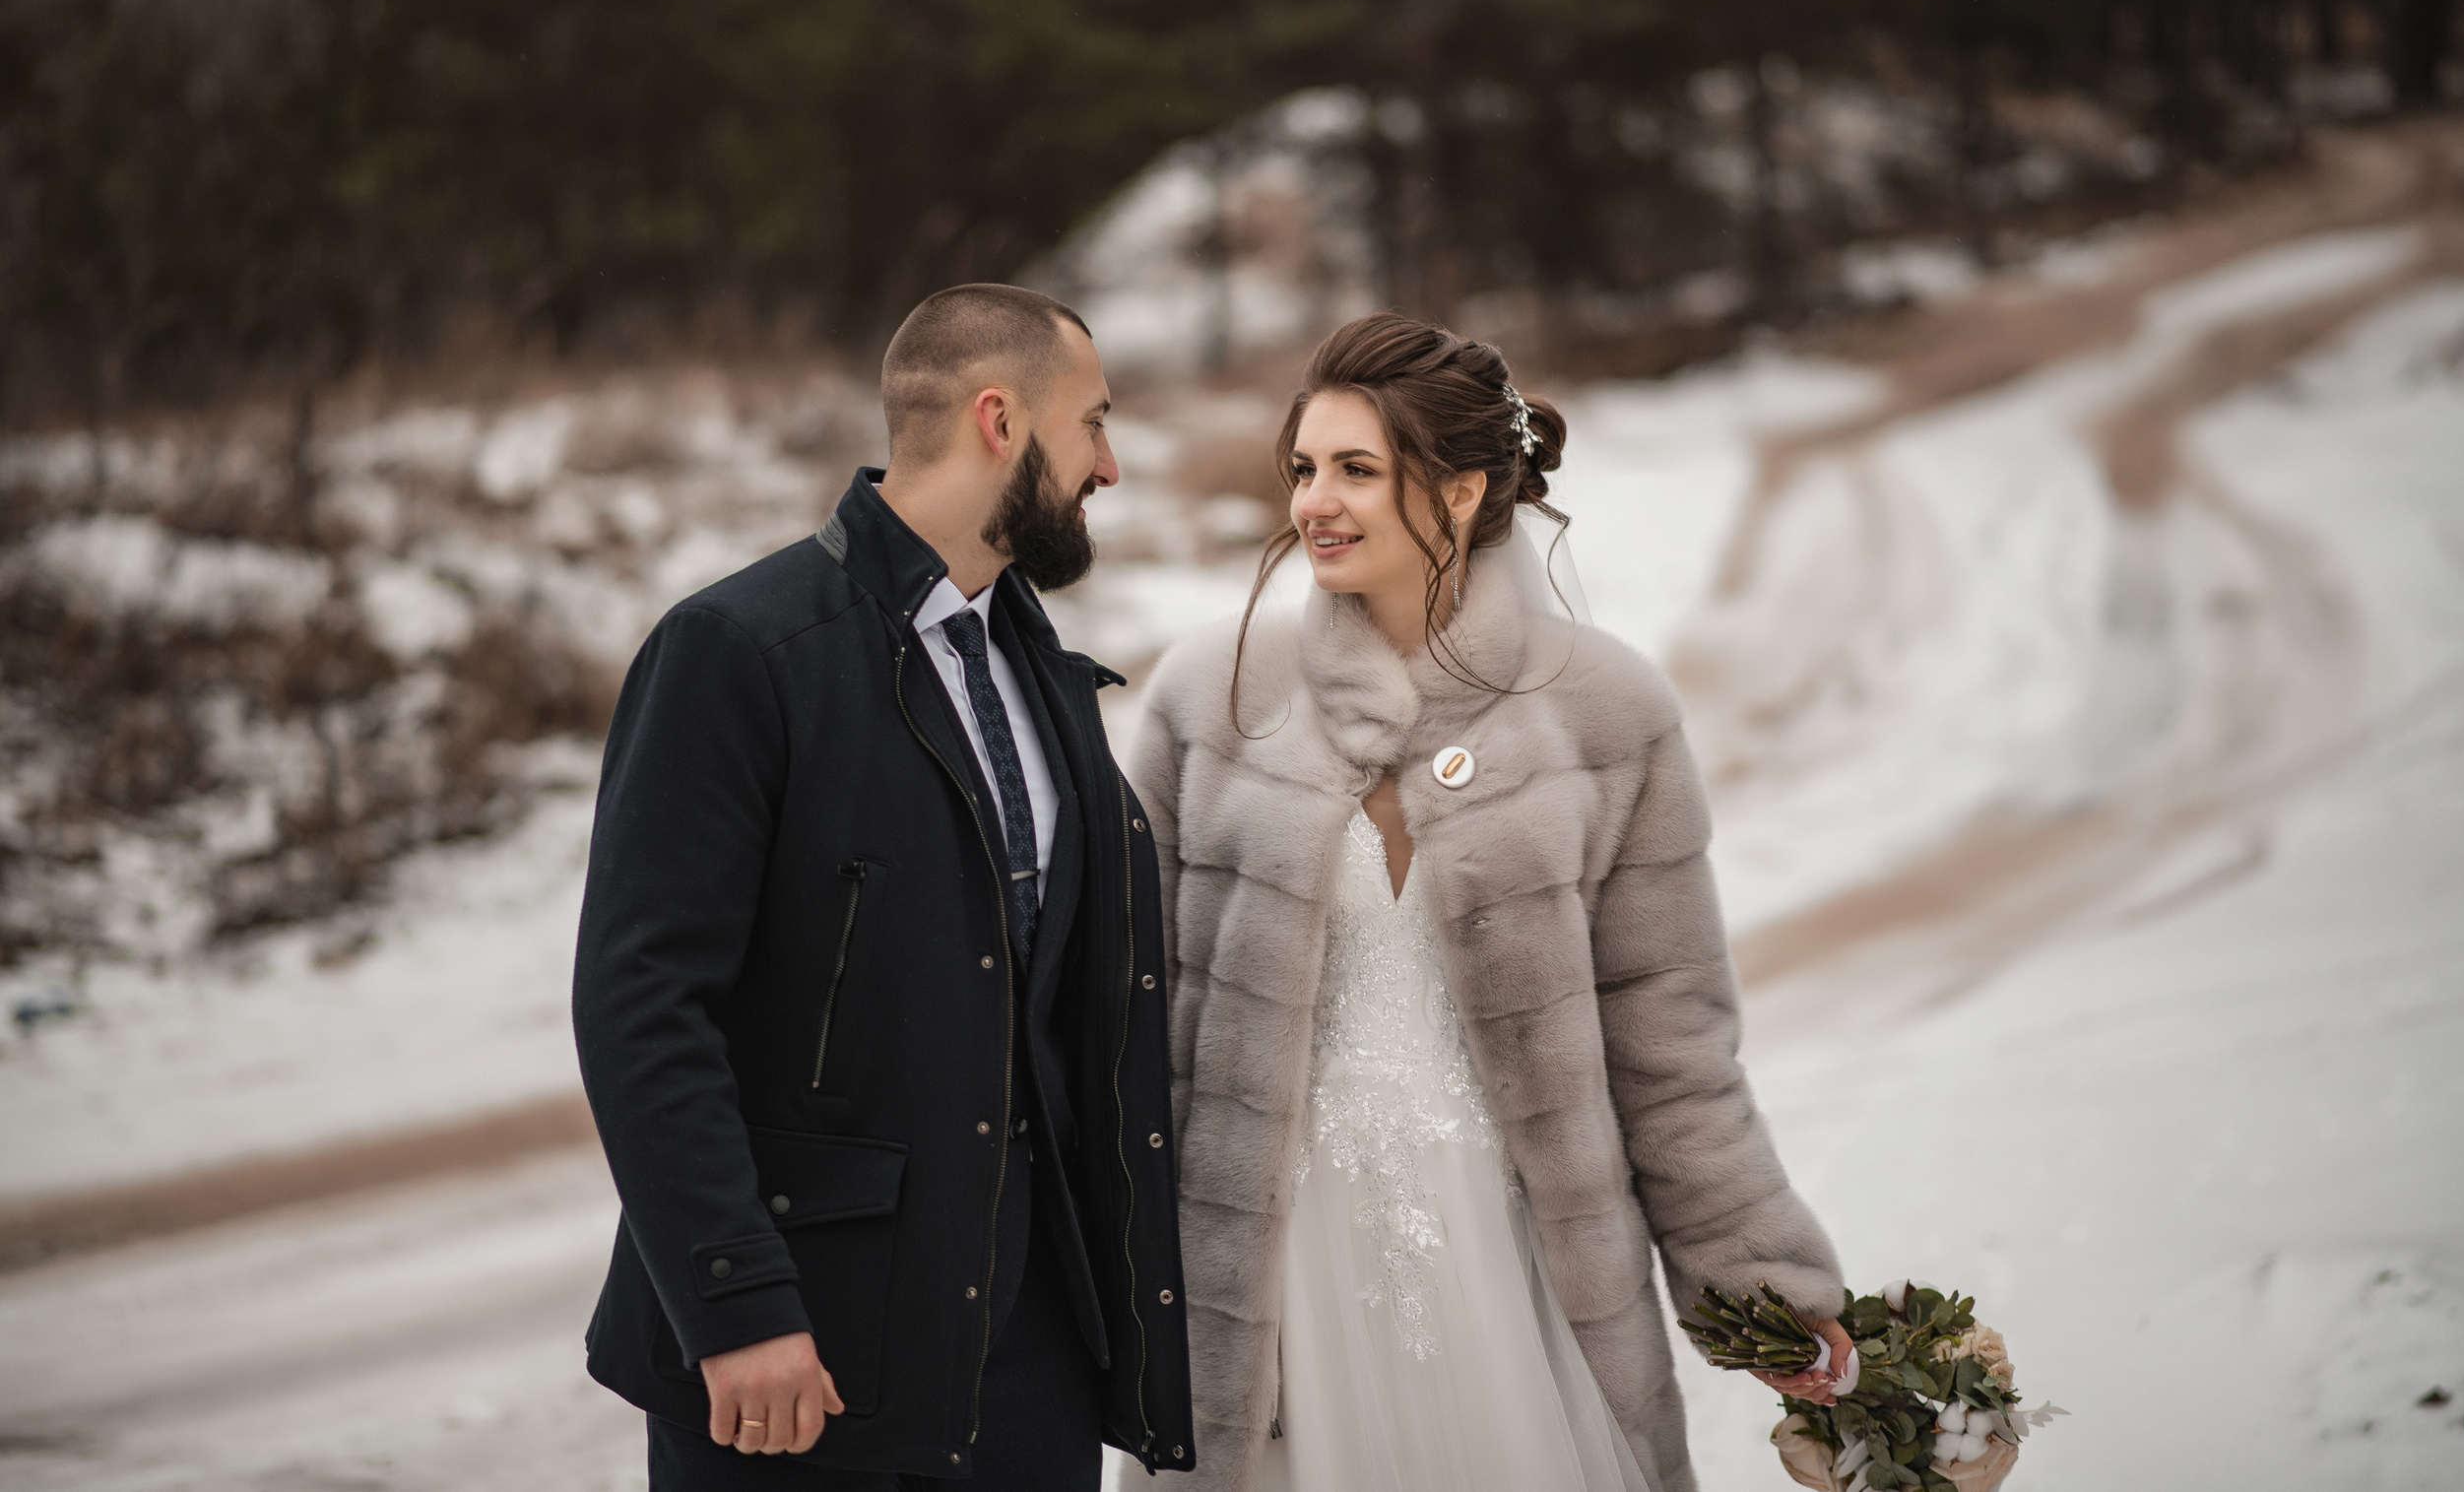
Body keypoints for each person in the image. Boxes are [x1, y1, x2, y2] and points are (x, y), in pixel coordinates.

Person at [1129, 314, 1852, 1491]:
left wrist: (1764, 1291)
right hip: (1271, 1284)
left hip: (1515, 1267)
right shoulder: (1208, 701)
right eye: (1303, 468)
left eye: (1357, 470)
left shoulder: (1606, 713)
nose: (1315, 501)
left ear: (1460, 490)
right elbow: (1119, 1020)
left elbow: (1672, 1055)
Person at [573, 284, 1196, 1490]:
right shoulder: (740, 652)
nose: (1110, 467)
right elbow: (643, 1006)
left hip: (1029, 1355)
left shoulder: (1037, 665)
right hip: (811, 1351)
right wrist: (739, 1304)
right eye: (1095, 425)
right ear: (998, 420)